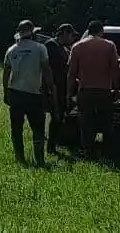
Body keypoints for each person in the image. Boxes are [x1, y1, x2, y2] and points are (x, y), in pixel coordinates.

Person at [3, 19, 55, 166]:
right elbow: (46, 69)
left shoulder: (11, 49)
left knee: (16, 128)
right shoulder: (40, 48)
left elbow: (6, 73)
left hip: (16, 93)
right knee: (38, 128)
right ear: (32, 33)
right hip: (34, 94)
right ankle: (39, 159)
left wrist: (6, 92)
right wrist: (51, 88)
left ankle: (20, 158)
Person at [67, 20, 118, 157]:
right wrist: (117, 90)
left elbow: (71, 73)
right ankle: (108, 151)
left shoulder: (77, 46)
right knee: (106, 121)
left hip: (85, 90)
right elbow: (114, 70)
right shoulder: (109, 46)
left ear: (88, 31)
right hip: (104, 90)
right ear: (101, 31)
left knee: (86, 122)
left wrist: (69, 93)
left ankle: (87, 149)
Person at [44, 23, 79, 155]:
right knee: (56, 116)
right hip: (54, 87)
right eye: (70, 35)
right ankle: (50, 146)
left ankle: (55, 142)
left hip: (62, 87)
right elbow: (51, 68)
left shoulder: (63, 48)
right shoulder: (51, 46)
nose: (72, 38)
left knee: (60, 117)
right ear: (64, 33)